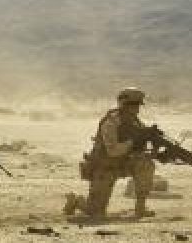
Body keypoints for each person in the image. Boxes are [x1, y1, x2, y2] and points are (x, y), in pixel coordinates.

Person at [64, 87, 158, 221]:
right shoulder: (111, 123)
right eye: (132, 105)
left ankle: (140, 208)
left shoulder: (136, 123)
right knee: (96, 213)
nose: (136, 109)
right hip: (104, 167)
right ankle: (76, 201)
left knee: (145, 164)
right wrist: (132, 142)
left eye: (138, 105)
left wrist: (154, 150)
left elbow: (138, 149)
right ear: (123, 105)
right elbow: (112, 151)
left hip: (122, 164)